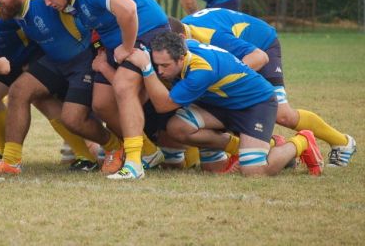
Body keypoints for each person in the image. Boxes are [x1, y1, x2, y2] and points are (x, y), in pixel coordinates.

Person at [31, 0, 170, 179]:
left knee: (123, 87)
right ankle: (149, 153)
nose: (47, 4)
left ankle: (134, 162)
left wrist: (126, 47)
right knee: (102, 104)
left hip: (147, 30)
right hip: (115, 42)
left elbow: (129, 9)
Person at [169, 8, 356, 167]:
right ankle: (273, 146)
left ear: (181, 37)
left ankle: (342, 142)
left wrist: (226, 82)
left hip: (262, 47)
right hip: (243, 55)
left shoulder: (211, 36)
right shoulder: (182, 40)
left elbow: (258, 57)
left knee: (282, 114)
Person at [126, 31, 324, 177]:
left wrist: (146, 67)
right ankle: (246, 147)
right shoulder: (187, 48)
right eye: (156, 64)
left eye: (165, 66)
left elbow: (163, 105)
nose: (160, 71)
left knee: (254, 171)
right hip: (221, 104)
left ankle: (302, 141)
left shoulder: (201, 70)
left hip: (256, 105)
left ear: (181, 58)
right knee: (177, 128)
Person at [0, 0, 117, 174]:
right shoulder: (13, 8)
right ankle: (11, 161)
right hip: (55, 62)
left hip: (83, 61)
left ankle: (114, 148)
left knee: (73, 119)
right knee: (19, 91)